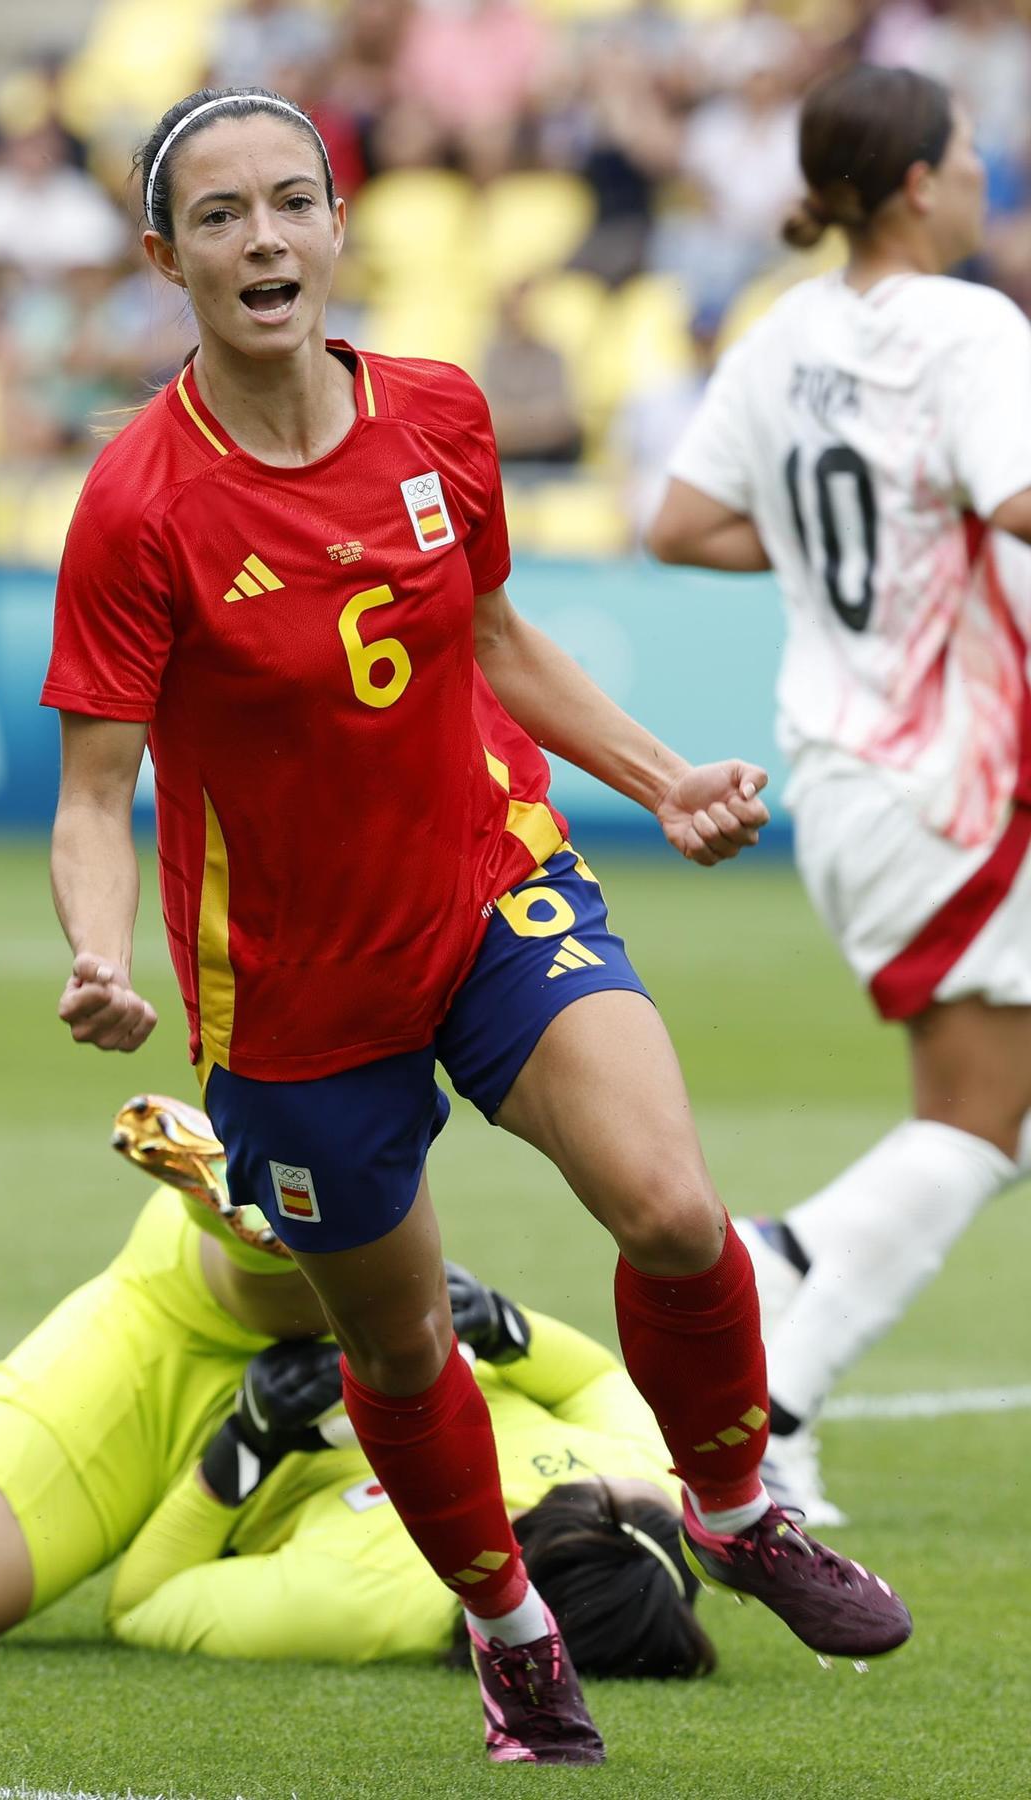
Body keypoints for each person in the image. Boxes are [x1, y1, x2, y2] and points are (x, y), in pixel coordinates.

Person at [41, 85, 910, 1768]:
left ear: (337, 225)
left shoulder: (437, 411)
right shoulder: (141, 503)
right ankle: (513, 1634)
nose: (262, 238)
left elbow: (496, 640)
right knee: (397, 1340)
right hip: (293, 989)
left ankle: (736, 1510)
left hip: (491, 885)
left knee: (673, 1210)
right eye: (219, 216)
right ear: (166, 259)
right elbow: (96, 790)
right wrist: (99, 951)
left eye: (290, 202)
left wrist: (658, 780)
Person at [651, 62, 1031, 1525]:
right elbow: (1017, 500)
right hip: (953, 774)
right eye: (974, 150)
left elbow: (680, 523)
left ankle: (791, 1294)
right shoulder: (968, 325)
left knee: (991, 1111)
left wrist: (843, 540)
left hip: (846, 763)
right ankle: (780, 1359)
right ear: (922, 181)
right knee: (978, 1117)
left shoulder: (782, 335)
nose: (988, 171)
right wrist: (907, 522)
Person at [0, 1097, 712, 1686]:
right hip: (315, 1320)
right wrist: (505, 1328)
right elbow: (595, 1378)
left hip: (149, 1399)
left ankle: (287, 1196)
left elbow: (144, 1602)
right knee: (342, 1314)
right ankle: (273, 1209)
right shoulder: (644, 1489)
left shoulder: (376, 1603)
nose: (604, 1492)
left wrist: (243, 1449)